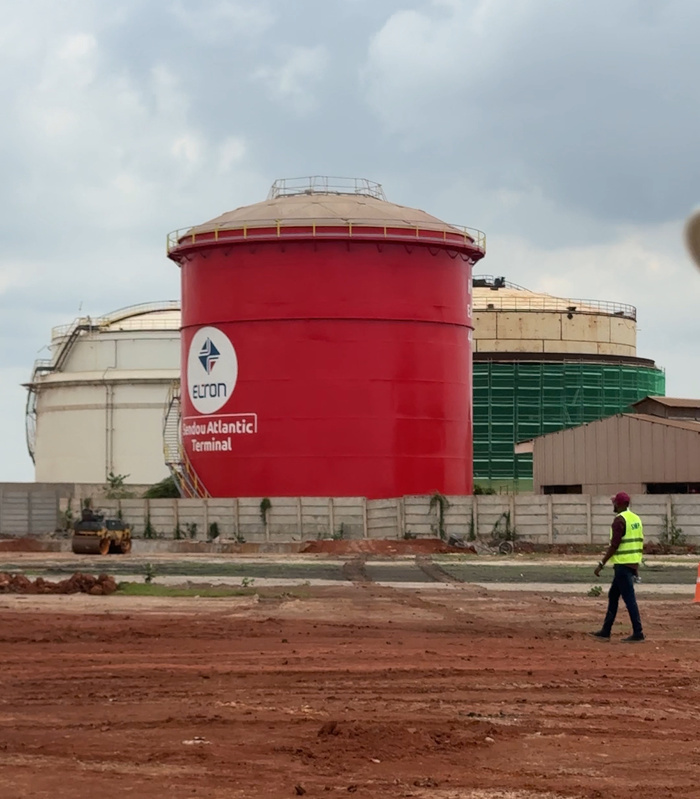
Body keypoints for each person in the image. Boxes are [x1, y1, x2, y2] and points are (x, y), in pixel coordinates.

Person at [590, 491, 645, 642]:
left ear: (621, 504)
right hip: (631, 563)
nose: (613, 505)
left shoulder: (619, 520)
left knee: (629, 599)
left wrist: (601, 564)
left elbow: (614, 545)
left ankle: (638, 632)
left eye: (615, 502)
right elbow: (638, 543)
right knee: (613, 595)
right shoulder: (636, 519)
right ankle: (606, 630)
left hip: (622, 565)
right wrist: (636, 567)